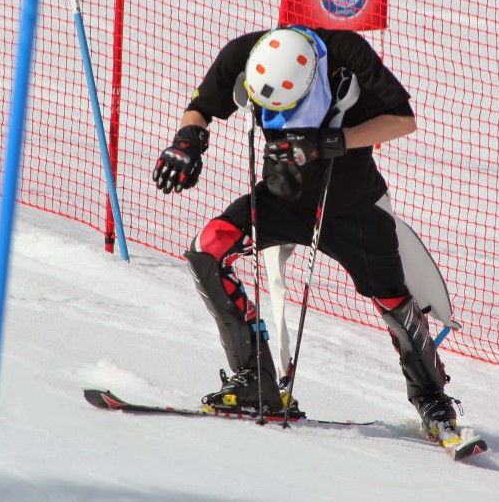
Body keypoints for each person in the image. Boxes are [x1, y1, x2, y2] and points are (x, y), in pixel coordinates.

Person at [151, 26, 459, 440]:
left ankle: (432, 398)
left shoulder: (346, 52)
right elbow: (200, 108)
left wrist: (329, 142)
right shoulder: (246, 53)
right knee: (207, 250)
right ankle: (255, 380)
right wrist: (188, 141)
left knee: (392, 300)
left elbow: (402, 121)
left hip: (353, 207)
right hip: (282, 198)